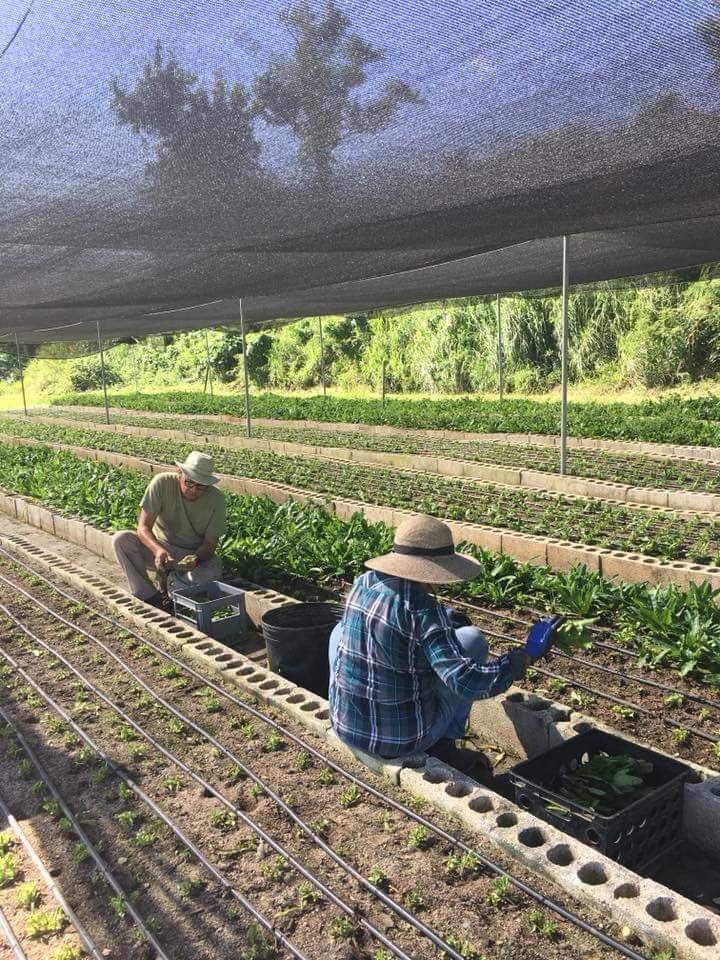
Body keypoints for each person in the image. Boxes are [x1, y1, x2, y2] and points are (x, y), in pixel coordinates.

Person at [328, 515, 556, 774]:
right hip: (401, 740)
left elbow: (392, 619)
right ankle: (445, 744)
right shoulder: (423, 611)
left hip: (346, 726)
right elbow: (467, 681)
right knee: (472, 641)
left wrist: (444, 621)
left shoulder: (363, 582)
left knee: (339, 632)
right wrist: (521, 659)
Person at [113, 451, 227, 609]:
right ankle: (148, 595)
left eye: (201, 486)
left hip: (192, 553)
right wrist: (158, 550)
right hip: (160, 549)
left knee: (213, 568)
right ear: (179, 473)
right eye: (189, 483)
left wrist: (196, 558)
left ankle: (172, 590)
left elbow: (210, 543)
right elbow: (143, 527)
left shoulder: (217, 499)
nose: (193, 490)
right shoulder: (162, 483)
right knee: (121, 540)